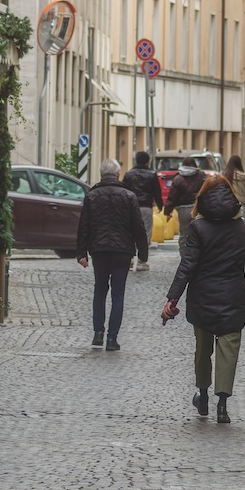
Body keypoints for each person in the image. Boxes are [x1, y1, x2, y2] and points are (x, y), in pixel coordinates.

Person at [162, 174, 245, 424]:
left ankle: (202, 394)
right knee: (228, 351)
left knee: (202, 351)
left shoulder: (197, 227)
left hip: (202, 299)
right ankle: (222, 405)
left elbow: (186, 266)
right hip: (233, 298)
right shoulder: (244, 227)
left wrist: (172, 298)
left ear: (203, 198)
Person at [77, 158, 148, 352]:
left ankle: (97, 334)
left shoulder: (92, 195)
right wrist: (143, 251)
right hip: (122, 251)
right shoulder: (129, 196)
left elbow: (84, 225)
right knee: (118, 294)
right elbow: (138, 226)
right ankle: (112, 339)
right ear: (118, 175)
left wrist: (81, 252)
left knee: (99, 291)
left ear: (101, 175)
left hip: (99, 251)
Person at [122, 150, 163, 270]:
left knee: (129, 232)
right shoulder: (152, 174)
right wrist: (160, 205)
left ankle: (128, 258)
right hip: (146, 207)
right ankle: (142, 260)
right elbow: (157, 192)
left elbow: (124, 190)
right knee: (145, 234)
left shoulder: (128, 174)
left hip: (131, 207)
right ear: (147, 161)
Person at [163, 157, 207, 254]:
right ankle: (199, 253)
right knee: (200, 232)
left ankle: (184, 254)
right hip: (198, 208)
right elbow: (206, 191)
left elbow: (172, 197)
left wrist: (167, 211)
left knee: (184, 233)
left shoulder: (178, 178)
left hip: (183, 210)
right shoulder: (201, 176)